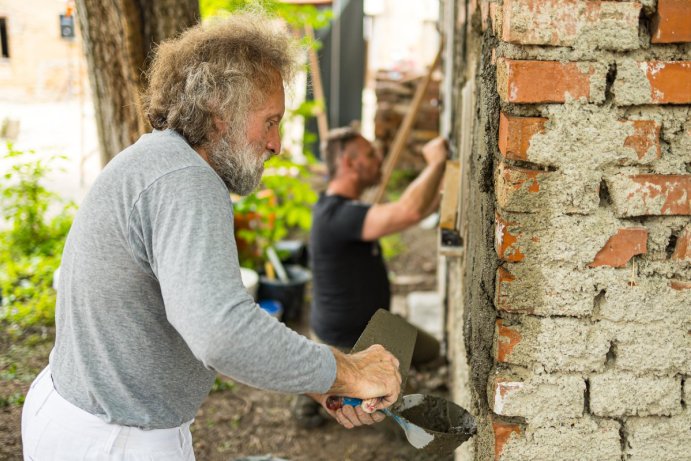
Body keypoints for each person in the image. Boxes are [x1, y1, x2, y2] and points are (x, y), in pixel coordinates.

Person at [21, 13, 401, 461]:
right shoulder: (186, 180)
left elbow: (200, 315)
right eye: (271, 121)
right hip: (114, 440)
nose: (276, 143)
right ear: (222, 113)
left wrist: (316, 379)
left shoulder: (160, 161)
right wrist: (347, 370)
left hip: (85, 419)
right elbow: (221, 332)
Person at [292, 126, 448, 427]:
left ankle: (329, 381)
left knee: (432, 351)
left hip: (377, 327)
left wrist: (440, 180)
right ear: (350, 164)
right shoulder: (337, 217)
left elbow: (420, 206)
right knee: (393, 409)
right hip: (350, 341)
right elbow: (410, 211)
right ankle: (322, 383)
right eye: (369, 154)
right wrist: (436, 164)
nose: (379, 159)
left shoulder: (344, 209)